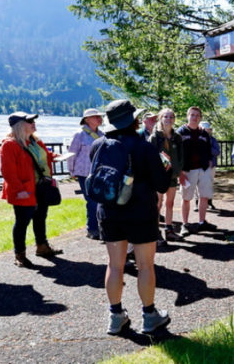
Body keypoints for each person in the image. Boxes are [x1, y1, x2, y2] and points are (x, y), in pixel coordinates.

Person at [91, 99, 171, 335]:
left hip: (109, 212)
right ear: (134, 121)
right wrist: (166, 166)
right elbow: (162, 185)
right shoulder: (145, 147)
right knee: (145, 266)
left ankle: (116, 317)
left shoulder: (99, 145)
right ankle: (149, 316)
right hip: (140, 213)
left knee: (115, 266)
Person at [0, 112, 63, 268]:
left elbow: (44, 156)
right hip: (24, 190)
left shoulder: (35, 141)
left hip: (41, 186)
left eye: (33, 120)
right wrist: (18, 190)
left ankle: (42, 247)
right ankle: (19, 254)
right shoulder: (10, 144)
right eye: (29, 121)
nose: (33, 123)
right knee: (22, 222)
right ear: (19, 125)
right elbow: (8, 171)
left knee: (40, 217)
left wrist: (56, 156)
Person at [177, 106, 217, 235]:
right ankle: (185, 224)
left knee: (204, 196)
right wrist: (180, 171)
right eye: (192, 115)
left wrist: (210, 161)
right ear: (187, 116)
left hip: (204, 169)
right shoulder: (181, 132)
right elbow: (176, 153)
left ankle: (202, 222)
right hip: (187, 170)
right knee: (186, 198)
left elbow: (208, 149)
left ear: (200, 118)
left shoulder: (204, 133)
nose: (194, 117)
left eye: (197, 115)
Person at [67, 108, 105, 240]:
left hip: (98, 173)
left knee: (100, 200)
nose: (99, 118)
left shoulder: (101, 134)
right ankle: (92, 229)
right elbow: (72, 153)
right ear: (87, 119)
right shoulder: (79, 134)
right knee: (91, 201)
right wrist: (71, 171)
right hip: (83, 173)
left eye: (99, 116)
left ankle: (99, 227)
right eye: (95, 117)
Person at [148, 108, 185, 241]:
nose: (169, 119)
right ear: (160, 119)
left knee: (170, 203)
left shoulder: (177, 137)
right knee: (158, 203)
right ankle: (155, 231)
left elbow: (181, 157)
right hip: (158, 177)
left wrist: (178, 171)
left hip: (172, 176)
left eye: (171, 117)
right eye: (166, 117)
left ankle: (169, 230)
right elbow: (149, 157)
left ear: (174, 119)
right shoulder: (155, 137)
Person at [198, 121, 220, 211]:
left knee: (210, 184)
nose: (206, 132)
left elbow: (217, 152)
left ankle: (209, 202)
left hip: (211, 166)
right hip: (198, 165)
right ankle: (197, 203)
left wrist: (207, 147)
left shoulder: (213, 140)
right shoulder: (196, 139)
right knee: (198, 185)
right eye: (204, 130)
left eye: (208, 130)